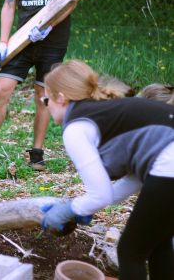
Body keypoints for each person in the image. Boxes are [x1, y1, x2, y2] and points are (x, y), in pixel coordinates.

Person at [40, 60, 174, 280]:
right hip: (168, 166)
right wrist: (81, 206)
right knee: (158, 244)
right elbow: (138, 178)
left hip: (169, 165)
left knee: (130, 252)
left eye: (46, 99)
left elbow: (100, 194)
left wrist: (70, 209)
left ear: (61, 98)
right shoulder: (106, 114)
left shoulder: (76, 127)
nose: (46, 105)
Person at [0, 0, 75, 171]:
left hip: (53, 43)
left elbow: (71, 2)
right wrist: (3, 42)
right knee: (1, 90)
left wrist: (49, 26)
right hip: (22, 40)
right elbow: (9, 5)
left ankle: (37, 153)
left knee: (42, 95)